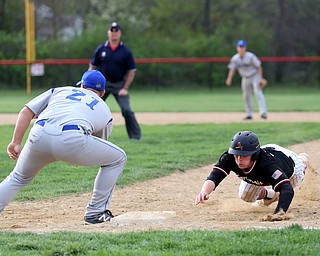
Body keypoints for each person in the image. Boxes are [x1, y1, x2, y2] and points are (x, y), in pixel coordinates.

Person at [0, 70, 127, 225]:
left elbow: (26, 111)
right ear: (103, 92)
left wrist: (16, 141)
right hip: (72, 139)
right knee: (118, 159)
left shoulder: (60, 90)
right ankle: (95, 212)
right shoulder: (105, 110)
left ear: (81, 85)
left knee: (18, 177)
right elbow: (100, 142)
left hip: (39, 133)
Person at [195, 130, 309, 221]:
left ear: (254, 155)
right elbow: (215, 176)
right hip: (262, 167)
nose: (239, 159)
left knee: (290, 184)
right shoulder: (229, 157)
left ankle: (303, 162)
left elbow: (287, 189)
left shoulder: (268, 165)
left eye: (244, 155)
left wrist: (279, 213)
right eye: (236, 154)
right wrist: (204, 192)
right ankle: (271, 195)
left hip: (291, 166)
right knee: (246, 196)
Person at [89, 21, 141, 140]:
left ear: (120, 33)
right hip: (101, 85)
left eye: (116, 31)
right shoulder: (101, 48)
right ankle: (89, 134)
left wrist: (125, 88)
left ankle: (136, 137)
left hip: (119, 85)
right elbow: (92, 66)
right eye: (111, 31)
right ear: (108, 33)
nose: (114, 33)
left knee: (127, 110)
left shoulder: (125, 51)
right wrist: (89, 84)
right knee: (91, 108)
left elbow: (132, 71)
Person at [226, 40, 268, 120]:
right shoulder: (235, 58)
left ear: (245, 48)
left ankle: (263, 112)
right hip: (245, 77)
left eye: (242, 47)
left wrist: (260, 78)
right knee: (246, 96)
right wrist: (229, 78)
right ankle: (249, 114)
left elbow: (259, 67)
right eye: (239, 47)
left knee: (258, 92)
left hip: (254, 75)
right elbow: (232, 69)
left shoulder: (251, 56)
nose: (241, 49)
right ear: (237, 48)